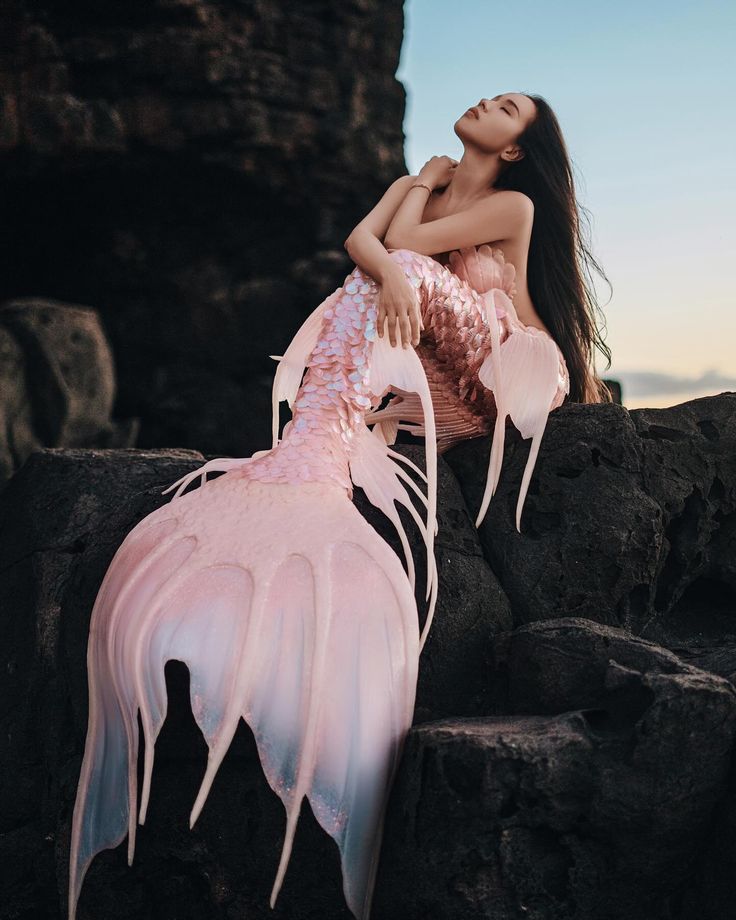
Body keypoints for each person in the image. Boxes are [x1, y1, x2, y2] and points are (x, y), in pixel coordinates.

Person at [68, 92, 612, 920]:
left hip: (500, 370)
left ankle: (312, 450)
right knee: (377, 280)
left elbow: (401, 255)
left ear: (514, 148)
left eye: (506, 107)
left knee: (402, 275)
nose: (484, 100)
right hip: (434, 367)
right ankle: (314, 445)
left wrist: (399, 240)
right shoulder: (428, 187)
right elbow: (362, 248)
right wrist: (409, 192)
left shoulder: (513, 201)